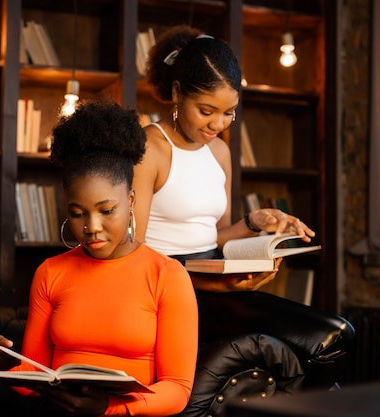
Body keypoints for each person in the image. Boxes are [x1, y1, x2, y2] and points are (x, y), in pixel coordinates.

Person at [0, 100, 199, 417]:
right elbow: (32, 382)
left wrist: (110, 408)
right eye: (77, 213)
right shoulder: (51, 272)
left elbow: (177, 389)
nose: (91, 228)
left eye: (107, 211)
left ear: (131, 200)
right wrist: (6, 365)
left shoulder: (168, 276)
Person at [133, 25, 316, 291]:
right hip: (163, 286)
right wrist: (213, 285)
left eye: (229, 112)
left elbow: (216, 238)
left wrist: (254, 222)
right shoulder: (150, 147)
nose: (218, 124)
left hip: (212, 277)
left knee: (333, 329)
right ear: (176, 93)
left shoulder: (219, 151)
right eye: (206, 111)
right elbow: (132, 253)